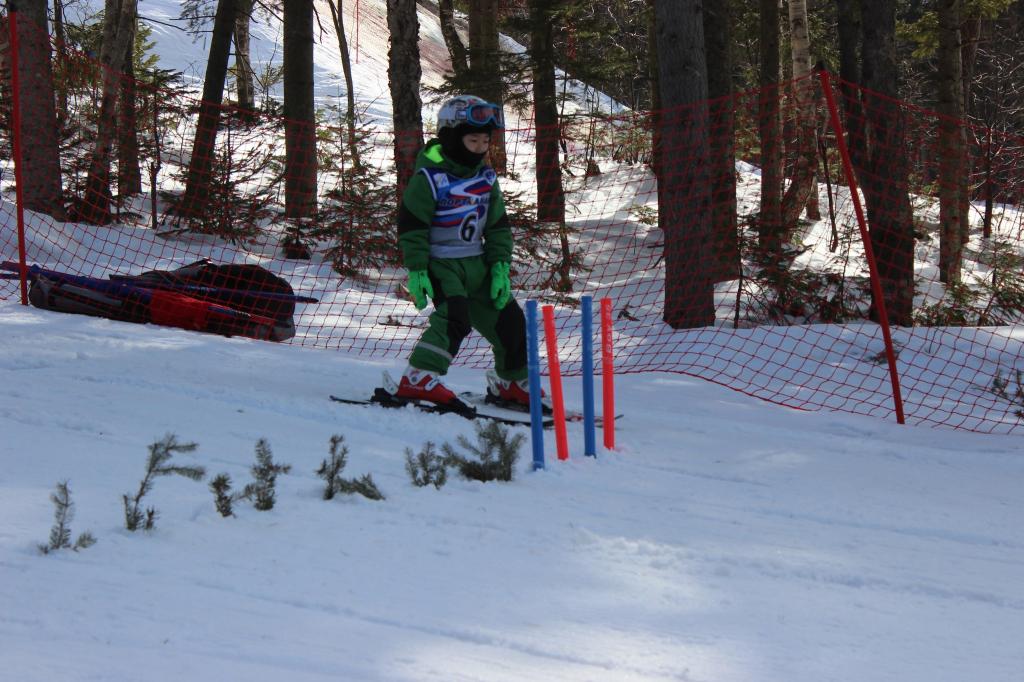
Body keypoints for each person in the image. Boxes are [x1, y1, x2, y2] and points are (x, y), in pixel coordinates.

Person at [393, 94, 538, 410]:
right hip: (442, 263)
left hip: (478, 263)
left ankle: (510, 381)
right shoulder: (430, 178)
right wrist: (417, 269)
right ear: (451, 137)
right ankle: (418, 377)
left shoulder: (486, 179)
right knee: (454, 317)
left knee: (510, 319)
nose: (480, 148)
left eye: (485, 141)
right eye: (473, 140)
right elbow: (412, 226)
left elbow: (497, 225)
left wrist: (499, 265)